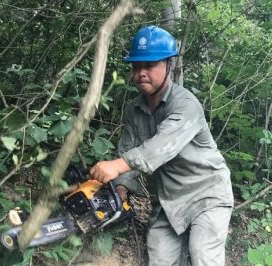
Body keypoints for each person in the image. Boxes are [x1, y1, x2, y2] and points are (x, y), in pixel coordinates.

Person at [90, 25, 234, 266]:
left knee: (203, 255)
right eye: (137, 66)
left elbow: (160, 148)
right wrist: (122, 187)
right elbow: (128, 149)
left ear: (169, 66)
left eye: (149, 65)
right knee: (159, 258)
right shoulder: (135, 108)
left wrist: (118, 166)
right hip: (168, 203)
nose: (141, 72)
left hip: (207, 196)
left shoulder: (186, 104)